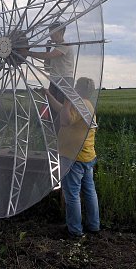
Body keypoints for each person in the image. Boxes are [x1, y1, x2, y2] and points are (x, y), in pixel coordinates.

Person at [44, 77, 100, 238]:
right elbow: (63, 110)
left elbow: (64, 120)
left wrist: (68, 99)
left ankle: (74, 230)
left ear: (77, 89)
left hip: (73, 157)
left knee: (72, 194)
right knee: (89, 191)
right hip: (86, 156)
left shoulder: (77, 104)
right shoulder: (86, 104)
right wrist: (48, 95)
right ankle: (93, 225)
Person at [27, 21, 75, 128]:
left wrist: (28, 53)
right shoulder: (55, 49)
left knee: (62, 110)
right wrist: (47, 48)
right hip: (54, 81)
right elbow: (47, 67)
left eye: (53, 32)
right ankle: (56, 133)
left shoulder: (65, 46)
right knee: (53, 110)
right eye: (50, 32)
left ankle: (63, 133)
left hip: (64, 81)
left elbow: (49, 56)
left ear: (61, 32)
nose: (51, 35)